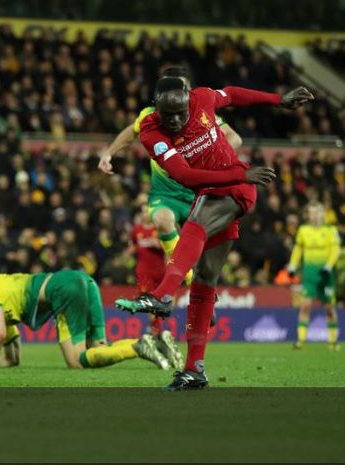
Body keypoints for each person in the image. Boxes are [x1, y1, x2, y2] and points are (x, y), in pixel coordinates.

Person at [115, 78, 314, 390]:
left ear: (188, 101)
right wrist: (239, 172)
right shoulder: (151, 132)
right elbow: (184, 175)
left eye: (181, 112)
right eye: (170, 115)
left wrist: (279, 99)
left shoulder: (203, 99)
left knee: (195, 224)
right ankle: (195, 369)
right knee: (206, 282)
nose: (177, 120)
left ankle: (162, 294)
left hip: (234, 188)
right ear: (157, 110)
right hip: (219, 186)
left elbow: (233, 93)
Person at [99, 66, 243, 286]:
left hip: (198, 193)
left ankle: (202, 290)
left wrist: (213, 154)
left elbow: (235, 138)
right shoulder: (150, 117)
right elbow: (131, 132)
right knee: (162, 220)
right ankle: (188, 277)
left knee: (209, 262)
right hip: (166, 193)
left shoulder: (203, 114)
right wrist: (109, 153)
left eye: (179, 87)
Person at [0, 270, 182, 371]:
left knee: (75, 362)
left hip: (63, 289)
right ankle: (156, 341)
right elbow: (12, 357)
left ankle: (138, 348)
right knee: (97, 350)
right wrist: (4, 360)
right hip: (83, 281)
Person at [130, 205, 183, 369]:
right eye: (143, 211)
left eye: (147, 211)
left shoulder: (158, 229)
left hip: (160, 272)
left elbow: (170, 246)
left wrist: (158, 244)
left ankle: (157, 335)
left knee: (161, 304)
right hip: (144, 274)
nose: (145, 213)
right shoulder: (136, 230)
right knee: (149, 306)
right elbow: (133, 246)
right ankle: (158, 335)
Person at [287, 202, 340, 351]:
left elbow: (335, 250)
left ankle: (333, 342)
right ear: (308, 215)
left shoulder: (330, 230)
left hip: (326, 273)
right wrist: (292, 266)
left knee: (329, 308)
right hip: (309, 272)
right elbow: (298, 249)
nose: (314, 215)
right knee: (305, 305)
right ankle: (301, 341)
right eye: (311, 213)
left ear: (322, 214)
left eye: (317, 212)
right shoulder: (303, 230)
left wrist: (328, 266)